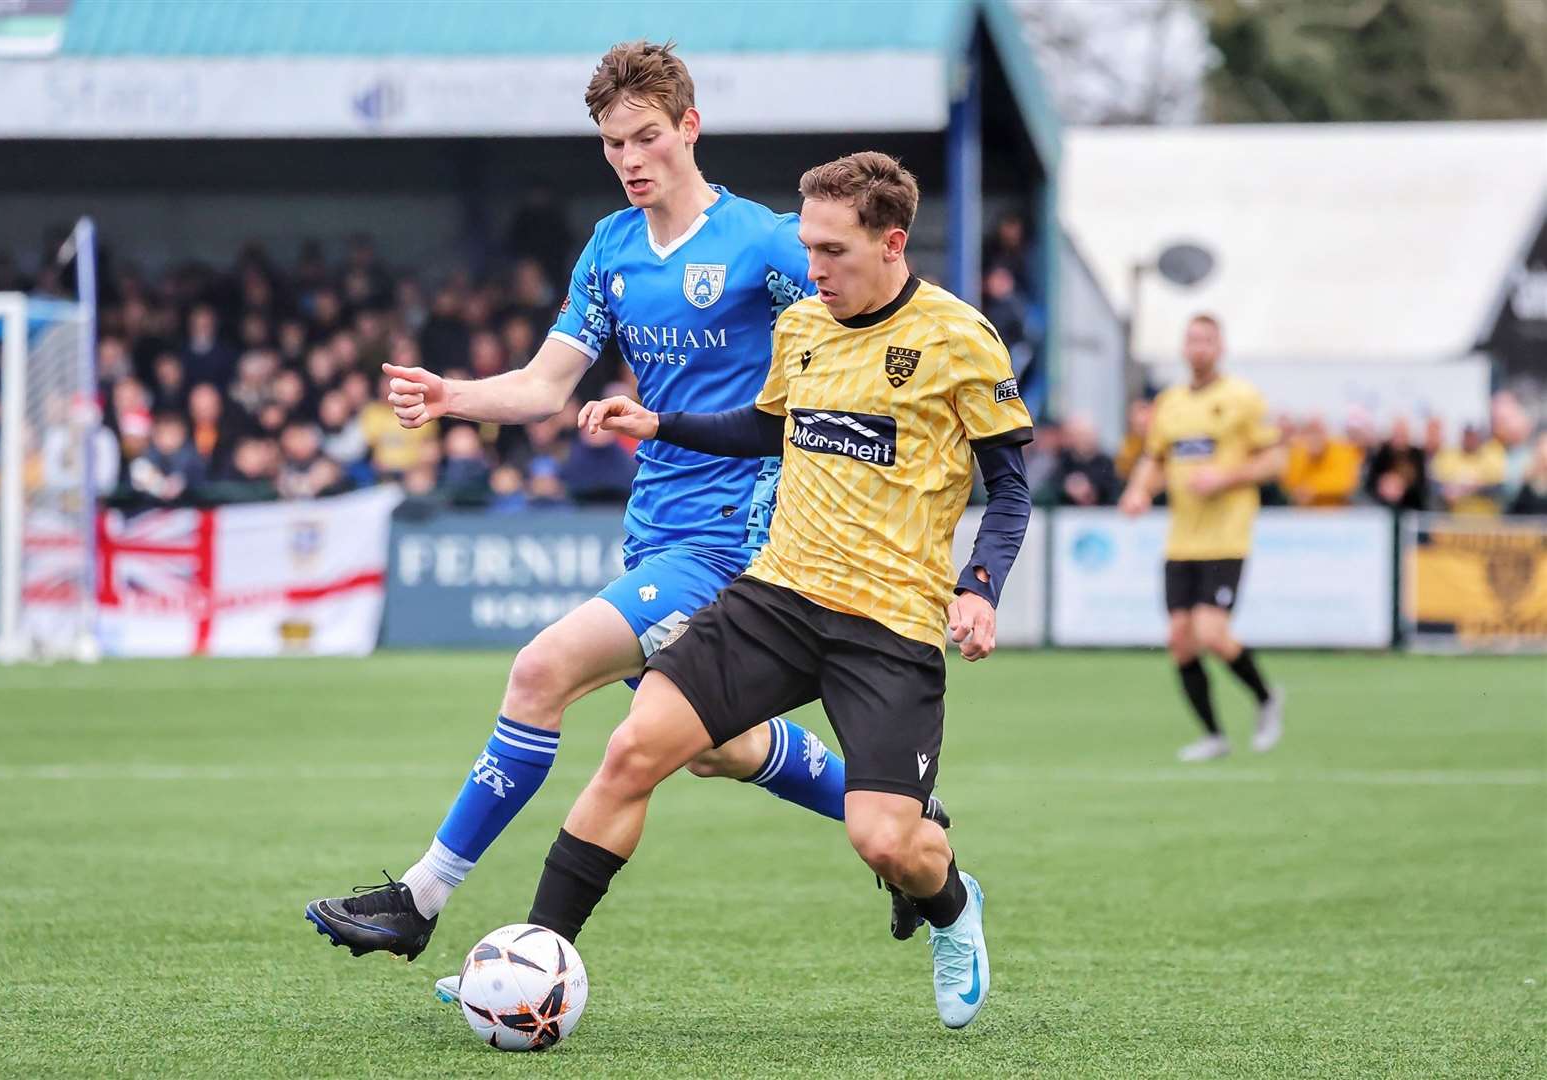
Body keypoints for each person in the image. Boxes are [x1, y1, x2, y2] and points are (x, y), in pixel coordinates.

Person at [305, 40, 899, 965]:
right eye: (612, 142)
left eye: (646, 136)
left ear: (689, 129)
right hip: (654, 530)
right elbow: (547, 386)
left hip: (733, 539)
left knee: (541, 671)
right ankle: (905, 815)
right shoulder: (613, 248)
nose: (629, 158)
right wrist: (450, 394)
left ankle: (419, 898)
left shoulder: (764, 243)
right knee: (719, 749)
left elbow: (870, 306)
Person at [504, 152, 1033, 1030]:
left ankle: (951, 904)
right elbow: (765, 426)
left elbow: (1010, 486)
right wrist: (658, 420)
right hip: (776, 597)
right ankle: (532, 962)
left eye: (831, 251)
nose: (811, 268)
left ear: (893, 242)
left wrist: (979, 587)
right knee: (635, 750)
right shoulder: (805, 327)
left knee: (887, 841)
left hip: (889, 625)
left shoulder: (959, 338)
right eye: (805, 246)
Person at [1119, 314, 1286, 762]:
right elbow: (1155, 459)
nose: (1198, 348)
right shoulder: (1170, 403)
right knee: (1179, 638)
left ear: (1220, 347)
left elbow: (1274, 460)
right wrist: (1138, 491)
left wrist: (1226, 477)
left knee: (1211, 632)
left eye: (1206, 340)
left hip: (1226, 538)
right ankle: (1215, 735)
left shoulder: (1242, 398)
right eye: (1191, 339)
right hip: (1181, 541)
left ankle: (1267, 696)